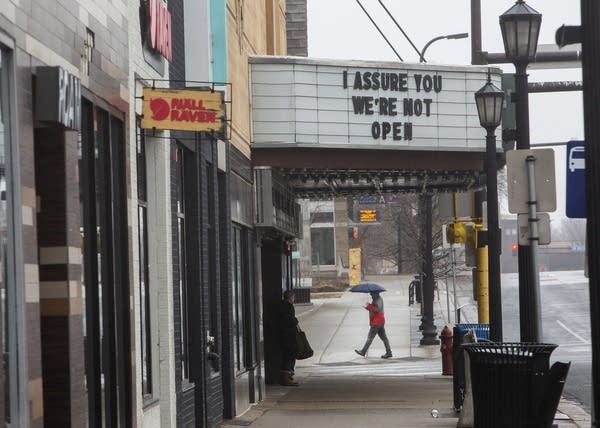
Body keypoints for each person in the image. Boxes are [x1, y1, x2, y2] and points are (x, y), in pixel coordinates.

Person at [355, 291, 393, 359]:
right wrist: (367, 307)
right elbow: (374, 309)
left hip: (377, 322)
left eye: (372, 294)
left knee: (370, 337)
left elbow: (377, 309)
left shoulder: (378, 300)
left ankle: (363, 351)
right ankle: (389, 352)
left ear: (376, 293)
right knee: (384, 338)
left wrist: (369, 306)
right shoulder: (377, 299)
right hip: (379, 321)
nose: (371, 295)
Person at [278, 290, 299, 386]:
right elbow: (290, 320)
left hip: (282, 335)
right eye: (293, 297)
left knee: (287, 356)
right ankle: (286, 377)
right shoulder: (288, 306)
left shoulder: (280, 306)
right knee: (289, 356)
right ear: (290, 297)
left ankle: (288, 375)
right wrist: (295, 321)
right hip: (288, 336)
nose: (294, 299)